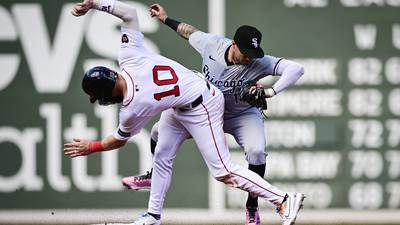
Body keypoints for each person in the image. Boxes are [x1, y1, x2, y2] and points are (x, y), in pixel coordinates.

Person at [64, 0, 305, 225]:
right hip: (180, 103)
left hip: (204, 104)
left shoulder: (132, 107)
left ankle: (283, 199)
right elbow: (131, 14)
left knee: (222, 170)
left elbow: (118, 140)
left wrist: (91, 146)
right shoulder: (129, 56)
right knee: (161, 155)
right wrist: (95, 3)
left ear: (106, 94)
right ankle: (152, 216)